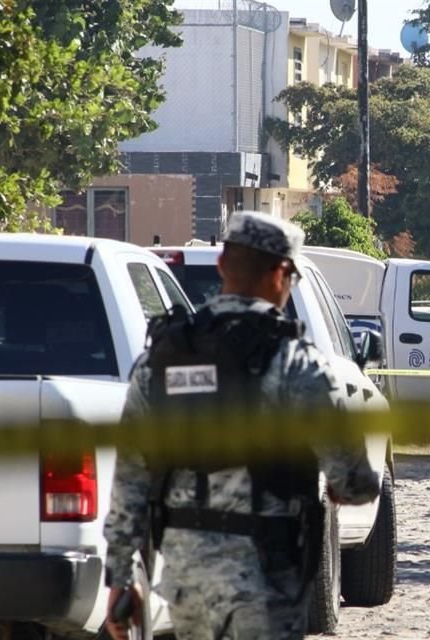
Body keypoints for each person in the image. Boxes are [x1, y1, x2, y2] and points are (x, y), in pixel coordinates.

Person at [103, 211, 379, 640]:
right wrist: (341, 486)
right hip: (266, 581)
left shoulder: (163, 357)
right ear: (280, 272)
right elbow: (356, 480)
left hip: (186, 578)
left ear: (220, 267)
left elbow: (130, 480)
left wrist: (120, 578)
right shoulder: (297, 364)